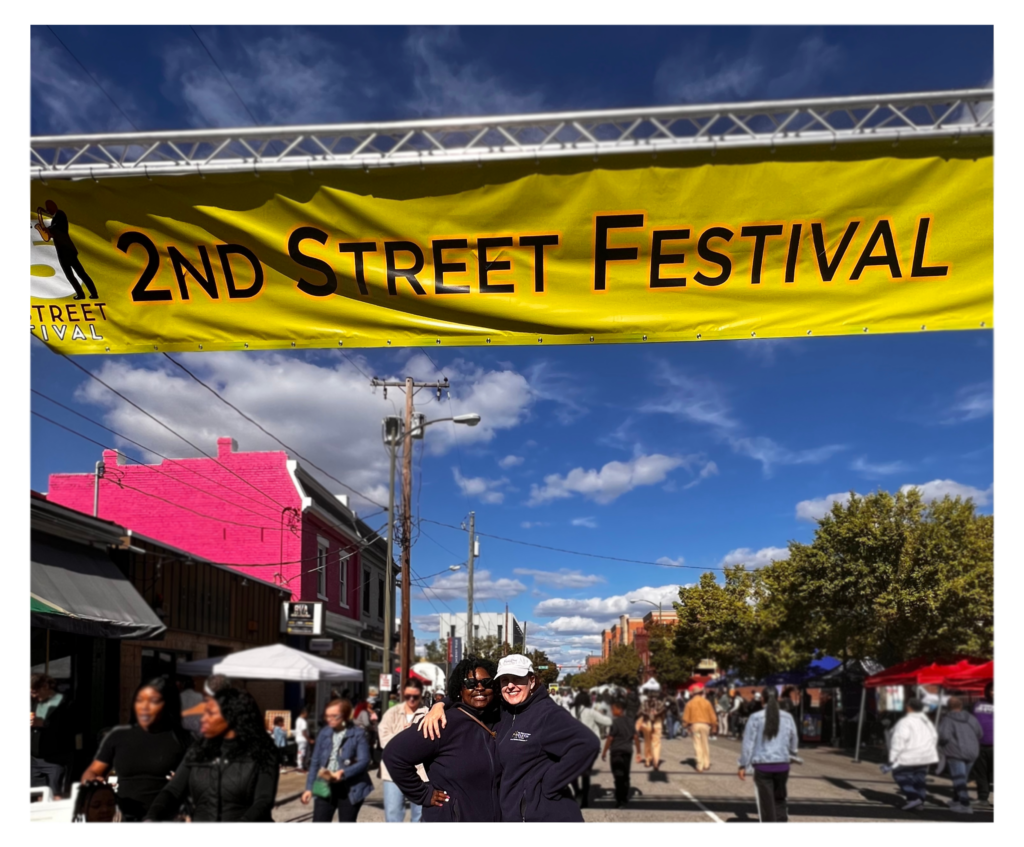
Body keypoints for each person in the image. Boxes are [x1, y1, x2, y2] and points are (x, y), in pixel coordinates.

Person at [422, 653, 600, 822]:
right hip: (514, 815)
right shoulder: (506, 710)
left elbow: (587, 744)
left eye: (517, 679)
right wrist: (440, 704)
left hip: (544, 817)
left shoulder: (546, 713)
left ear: (531, 681)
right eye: (505, 680)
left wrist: (548, 785)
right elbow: (474, 696)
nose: (510, 685)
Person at [383, 656, 502, 822]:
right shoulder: (442, 722)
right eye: (470, 683)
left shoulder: (499, 719)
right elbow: (394, 754)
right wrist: (424, 794)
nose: (479, 688)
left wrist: (442, 702)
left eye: (487, 682)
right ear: (460, 689)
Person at [145, 687, 280, 822]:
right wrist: (152, 816)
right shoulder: (198, 749)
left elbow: (263, 801)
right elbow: (173, 791)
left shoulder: (264, 751)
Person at [80, 675, 192, 821]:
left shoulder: (184, 739)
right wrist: (92, 781)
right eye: (140, 700)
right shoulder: (118, 736)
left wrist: (186, 783)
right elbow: (92, 771)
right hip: (124, 819)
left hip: (167, 819)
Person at [301, 698, 373, 822]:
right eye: (327, 716)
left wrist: (343, 773)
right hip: (324, 781)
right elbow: (315, 762)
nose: (329, 719)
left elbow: (364, 761)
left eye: (334, 716)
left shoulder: (357, 734)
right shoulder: (324, 732)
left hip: (349, 786)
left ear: (345, 716)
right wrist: (309, 788)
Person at [738, 687, 799, 822]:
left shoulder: (755, 717)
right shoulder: (788, 717)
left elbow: (748, 743)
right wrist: (792, 755)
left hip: (762, 766)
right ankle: (781, 822)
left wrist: (743, 765)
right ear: (778, 698)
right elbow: (794, 737)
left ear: (762, 699)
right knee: (780, 798)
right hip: (783, 764)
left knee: (766, 803)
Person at [378, 678, 429, 822]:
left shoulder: (427, 714)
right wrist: (404, 736)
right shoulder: (392, 713)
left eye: (415, 696)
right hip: (393, 772)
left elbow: (433, 741)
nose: (411, 700)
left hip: (421, 773)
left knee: (420, 817)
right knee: (393, 815)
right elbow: (384, 740)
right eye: (408, 696)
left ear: (421, 695)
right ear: (403, 694)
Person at [36, 200, 98, 300]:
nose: (47, 211)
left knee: (80, 273)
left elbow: (53, 230)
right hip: (62, 251)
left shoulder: (60, 215)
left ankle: (93, 294)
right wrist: (41, 223)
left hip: (67, 250)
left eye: (48, 208)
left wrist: (44, 226)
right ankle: (81, 294)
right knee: (71, 276)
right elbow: (47, 237)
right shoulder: (55, 218)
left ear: (53, 207)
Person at [886, 697, 939, 811]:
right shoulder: (927, 721)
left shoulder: (905, 721)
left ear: (909, 708)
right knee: (919, 778)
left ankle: (913, 798)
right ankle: (919, 802)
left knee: (899, 774)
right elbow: (933, 737)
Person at [31, 672, 74, 799]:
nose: (33, 695)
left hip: (56, 758)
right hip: (33, 758)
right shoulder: (34, 702)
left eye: (34, 691)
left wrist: (44, 723)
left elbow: (71, 728)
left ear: (45, 686)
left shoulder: (66, 703)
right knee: (34, 794)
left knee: (55, 795)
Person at [938, 696, 983, 814]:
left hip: (955, 752)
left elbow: (944, 736)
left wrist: (940, 744)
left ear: (947, 707)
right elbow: (980, 733)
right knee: (962, 779)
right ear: (961, 706)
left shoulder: (947, 719)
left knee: (959, 780)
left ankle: (965, 805)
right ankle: (956, 800)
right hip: (973, 751)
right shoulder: (971, 718)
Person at [573, 689, 612, 807]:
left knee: (573, 771)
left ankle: (577, 792)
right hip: (589, 745)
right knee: (586, 773)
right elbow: (608, 722)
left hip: (574, 745)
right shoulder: (591, 712)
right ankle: (585, 799)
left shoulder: (570, 711)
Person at [602, 699, 640, 809]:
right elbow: (636, 737)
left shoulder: (615, 722)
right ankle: (625, 797)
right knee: (626, 775)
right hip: (628, 751)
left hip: (616, 752)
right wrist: (638, 752)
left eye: (613, 709)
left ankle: (620, 800)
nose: (612, 712)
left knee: (618, 776)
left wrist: (604, 752)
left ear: (620, 710)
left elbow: (610, 738)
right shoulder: (630, 721)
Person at [683, 685, 718, 773]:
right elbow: (713, 716)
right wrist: (714, 726)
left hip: (695, 725)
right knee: (705, 744)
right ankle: (706, 764)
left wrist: (685, 725)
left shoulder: (689, 703)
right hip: (706, 725)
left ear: (693, 694)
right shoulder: (707, 702)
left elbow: (685, 718)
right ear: (701, 693)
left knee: (697, 745)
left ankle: (699, 765)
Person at [972, 682, 993, 806]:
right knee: (981, 773)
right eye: (992, 690)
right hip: (979, 744)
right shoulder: (978, 704)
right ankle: (983, 798)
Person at [295, 706, 312, 772]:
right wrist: (309, 739)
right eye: (307, 713)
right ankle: (301, 766)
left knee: (300, 752)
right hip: (303, 739)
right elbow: (304, 732)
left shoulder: (298, 719)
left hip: (298, 738)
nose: (307, 715)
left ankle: (300, 765)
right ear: (304, 713)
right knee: (303, 753)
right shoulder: (303, 722)